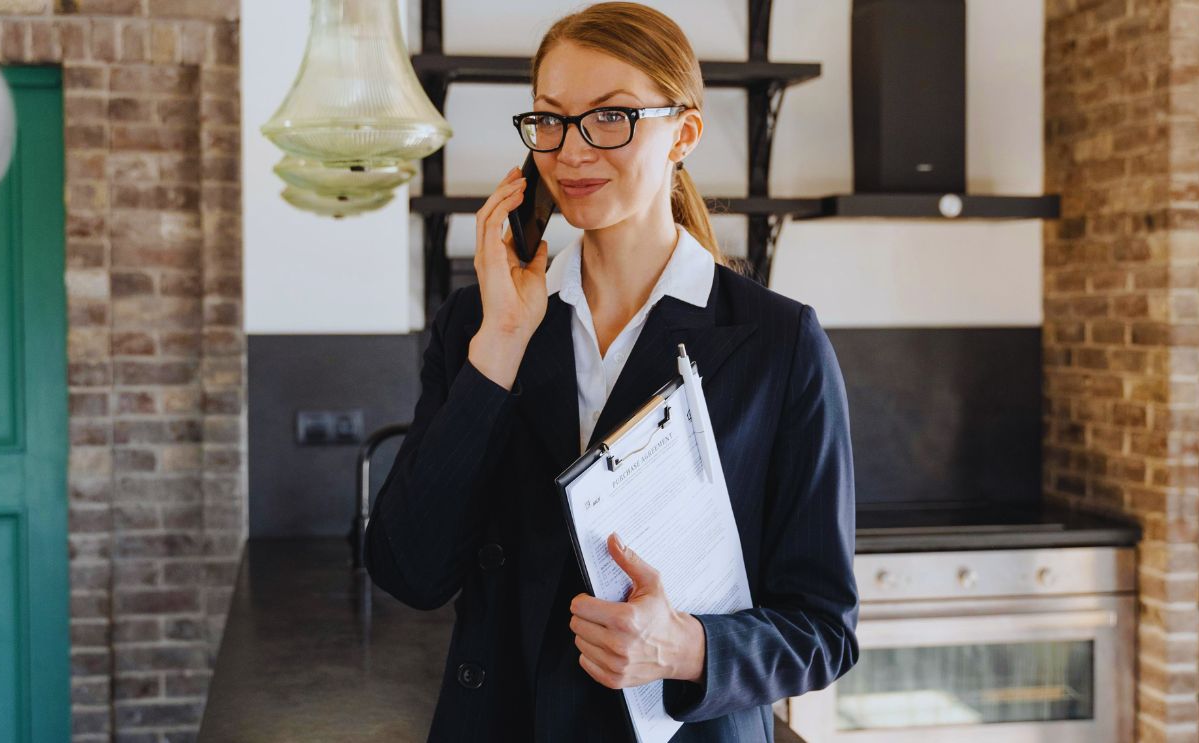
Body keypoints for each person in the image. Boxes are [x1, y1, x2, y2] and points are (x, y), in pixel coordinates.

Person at [363, 3, 859, 741]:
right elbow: (409, 568)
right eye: (551, 119)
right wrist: (501, 341)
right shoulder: (482, 322)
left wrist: (687, 645)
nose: (570, 151)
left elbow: (824, 627)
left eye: (611, 117)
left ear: (683, 133)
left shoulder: (777, 342)